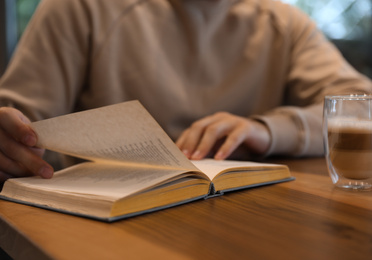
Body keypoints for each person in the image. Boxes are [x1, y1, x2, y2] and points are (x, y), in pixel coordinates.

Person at [0, 0, 371, 182]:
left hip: (243, 217)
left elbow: (361, 103)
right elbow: (18, 124)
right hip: (103, 225)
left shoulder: (283, 21)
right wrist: (11, 140)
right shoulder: (80, 8)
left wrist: (267, 129)